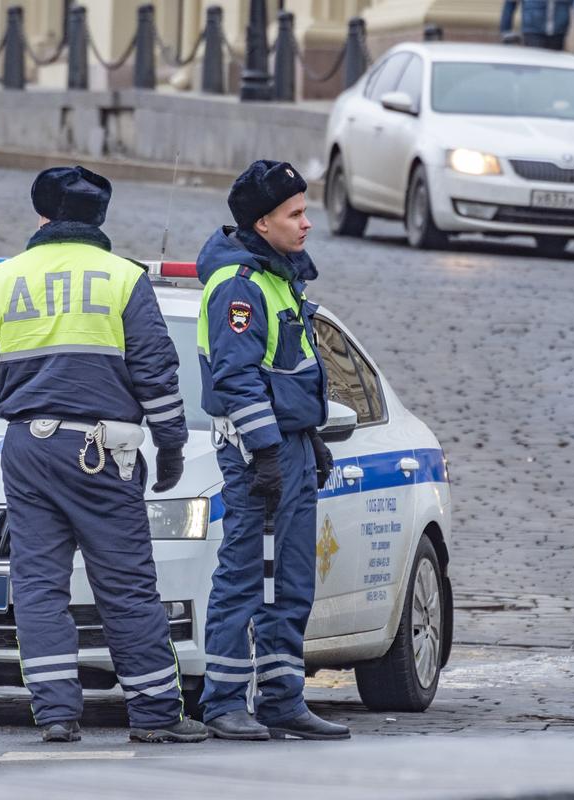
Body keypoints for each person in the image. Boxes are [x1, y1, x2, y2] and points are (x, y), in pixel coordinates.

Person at [0, 165, 209, 745]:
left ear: (41, 215)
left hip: (26, 445)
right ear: (100, 217)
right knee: (124, 583)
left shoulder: (2, 279)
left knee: (39, 583)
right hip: (102, 451)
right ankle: (153, 715)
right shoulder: (123, 278)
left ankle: (54, 715)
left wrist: (34, 381)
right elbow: (157, 375)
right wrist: (171, 446)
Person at [195, 160, 348, 741]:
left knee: (289, 580)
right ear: (263, 223)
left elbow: (286, 372)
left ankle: (282, 698)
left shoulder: (279, 277)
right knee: (243, 577)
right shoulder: (240, 287)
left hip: (290, 450)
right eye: (296, 213)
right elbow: (236, 380)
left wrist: (308, 441)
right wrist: (264, 452)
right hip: (260, 457)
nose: (307, 223)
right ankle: (224, 703)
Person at [500, 0, 574, 51]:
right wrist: (506, 30)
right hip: (533, 30)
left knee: (554, 65)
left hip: (558, 29)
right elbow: (510, 3)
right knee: (535, 64)